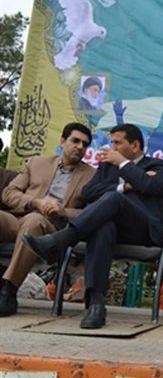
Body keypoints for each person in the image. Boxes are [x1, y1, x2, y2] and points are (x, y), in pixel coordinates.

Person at [21, 124, 163, 329]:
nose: (112, 147)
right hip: (115, 229)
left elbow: (150, 185)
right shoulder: (107, 167)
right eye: (111, 142)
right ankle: (96, 305)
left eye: (117, 143)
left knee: (113, 198)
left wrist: (124, 164)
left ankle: (60, 241)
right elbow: (89, 192)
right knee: (103, 227)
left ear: (135, 146)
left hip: (144, 229)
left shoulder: (157, 165)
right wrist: (124, 186)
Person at [0, 123, 95, 317]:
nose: (80, 147)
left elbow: (92, 212)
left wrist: (64, 211)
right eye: (75, 141)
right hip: (19, 217)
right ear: (63, 141)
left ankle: (8, 291)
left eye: (85, 144)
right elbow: (9, 192)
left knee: (34, 222)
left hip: (54, 229)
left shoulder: (91, 175)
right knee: (27, 219)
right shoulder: (37, 163)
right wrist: (34, 202)